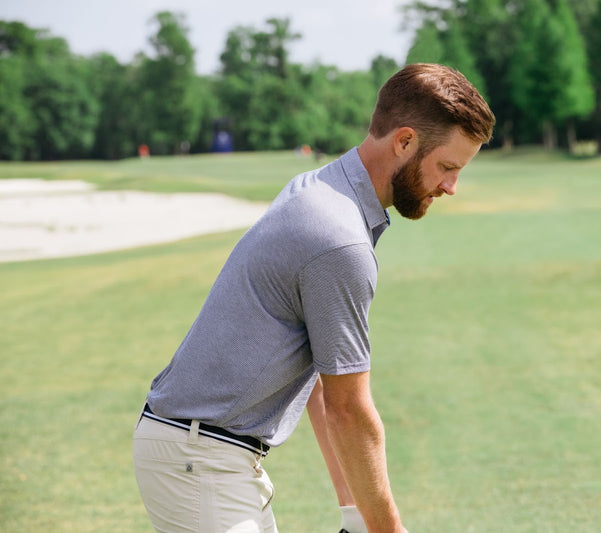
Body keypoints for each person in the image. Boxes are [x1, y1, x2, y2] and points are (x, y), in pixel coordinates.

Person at [132, 63, 495, 533]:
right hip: (200, 462)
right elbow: (350, 410)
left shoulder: (321, 188)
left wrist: (356, 515)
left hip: (207, 456)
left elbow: (323, 387)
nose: (451, 186)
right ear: (404, 142)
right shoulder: (339, 240)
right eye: (447, 166)